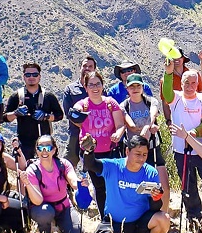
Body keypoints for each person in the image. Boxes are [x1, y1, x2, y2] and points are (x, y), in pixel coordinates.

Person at [81, 133, 169, 233]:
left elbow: (155, 207)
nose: (141, 159)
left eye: (145, 155)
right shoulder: (113, 166)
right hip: (113, 222)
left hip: (139, 222)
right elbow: (91, 164)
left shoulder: (151, 173)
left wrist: (156, 198)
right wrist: (89, 151)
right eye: (137, 154)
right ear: (127, 151)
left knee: (164, 219)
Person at [161, 61, 202, 229]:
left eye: (193, 83)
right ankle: (193, 217)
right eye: (186, 83)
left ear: (198, 84)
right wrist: (168, 73)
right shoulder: (176, 98)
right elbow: (166, 93)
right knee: (188, 185)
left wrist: (194, 133)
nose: (190, 86)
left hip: (201, 150)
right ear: (181, 84)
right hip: (181, 150)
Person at [72, 70, 125, 213]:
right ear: (85, 87)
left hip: (111, 152)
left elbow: (120, 125)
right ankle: (105, 219)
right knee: (100, 187)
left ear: (102, 85)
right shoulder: (83, 105)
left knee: (112, 186)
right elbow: (74, 114)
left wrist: (118, 134)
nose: (95, 88)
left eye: (98, 84)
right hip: (91, 154)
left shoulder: (110, 103)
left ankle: (116, 217)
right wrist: (75, 113)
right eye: (91, 85)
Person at [21, 135, 84, 233]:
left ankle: (59, 224)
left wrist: (81, 183)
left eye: (48, 147)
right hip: (43, 208)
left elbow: (73, 181)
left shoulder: (63, 164)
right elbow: (38, 200)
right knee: (45, 212)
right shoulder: (32, 170)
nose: (44, 151)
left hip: (63, 206)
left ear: (54, 150)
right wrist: (27, 184)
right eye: (40, 147)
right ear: (36, 150)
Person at [119, 73, 169, 211]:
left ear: (142, 87)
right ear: (127, 88)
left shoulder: (150, 101)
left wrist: (148, 126)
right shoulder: (123, 106)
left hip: (152, 147)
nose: (135, 89)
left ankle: (160, 211)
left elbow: (153, 114)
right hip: (134, 150)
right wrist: (147, 127)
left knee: (157, 181)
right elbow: (131, 125)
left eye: (138, 85)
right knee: (137, 182)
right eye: (132, 86)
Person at [4, 62, 64, 160]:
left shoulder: (48, 96)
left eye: (35, 74)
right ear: (24, 77)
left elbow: (59, 115)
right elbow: (4, 117)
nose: (31, 77)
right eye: (28, 74)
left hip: (44, 143)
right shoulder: (17, 96)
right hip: (24, 143)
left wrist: (46, 116)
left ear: (39, 77)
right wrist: (16, 113)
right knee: (24, 172)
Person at [61, 56, 96, 166]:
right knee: (68, 165)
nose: (87, 68)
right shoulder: (70, 89)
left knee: (94, 166)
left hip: (96, 134)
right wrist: (84, 127)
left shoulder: (99, 89)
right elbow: (69, 114)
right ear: (80, 68)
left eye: (90, 66)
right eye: (84, 66)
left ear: (94, 69)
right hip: (75, 134)